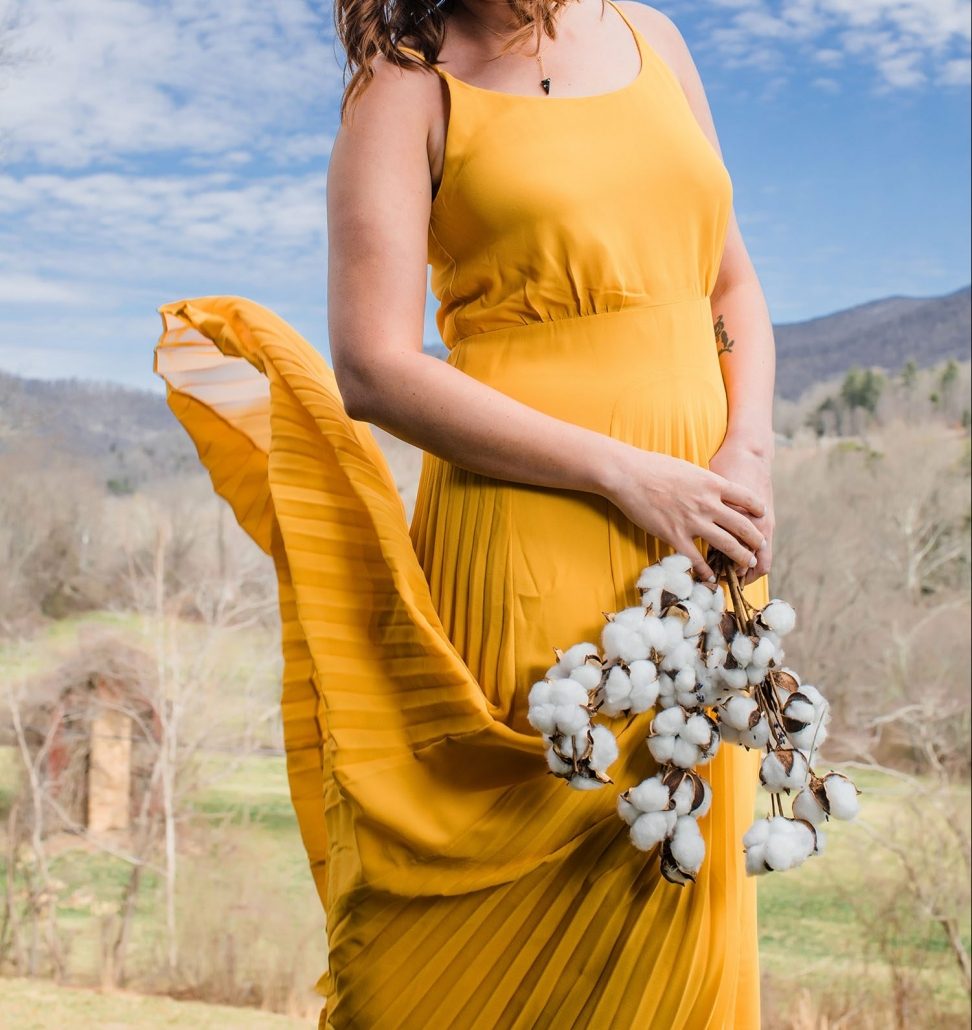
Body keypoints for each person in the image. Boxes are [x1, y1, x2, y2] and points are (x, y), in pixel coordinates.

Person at [153, 0, 777, 1025]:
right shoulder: (404, 88)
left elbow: (731, 284)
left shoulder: (654, 37)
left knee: (676, 905)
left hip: (709, 529)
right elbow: (375, 367)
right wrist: (624, 473)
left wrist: (745, 448)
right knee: (519, 886)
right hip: (528, 539)